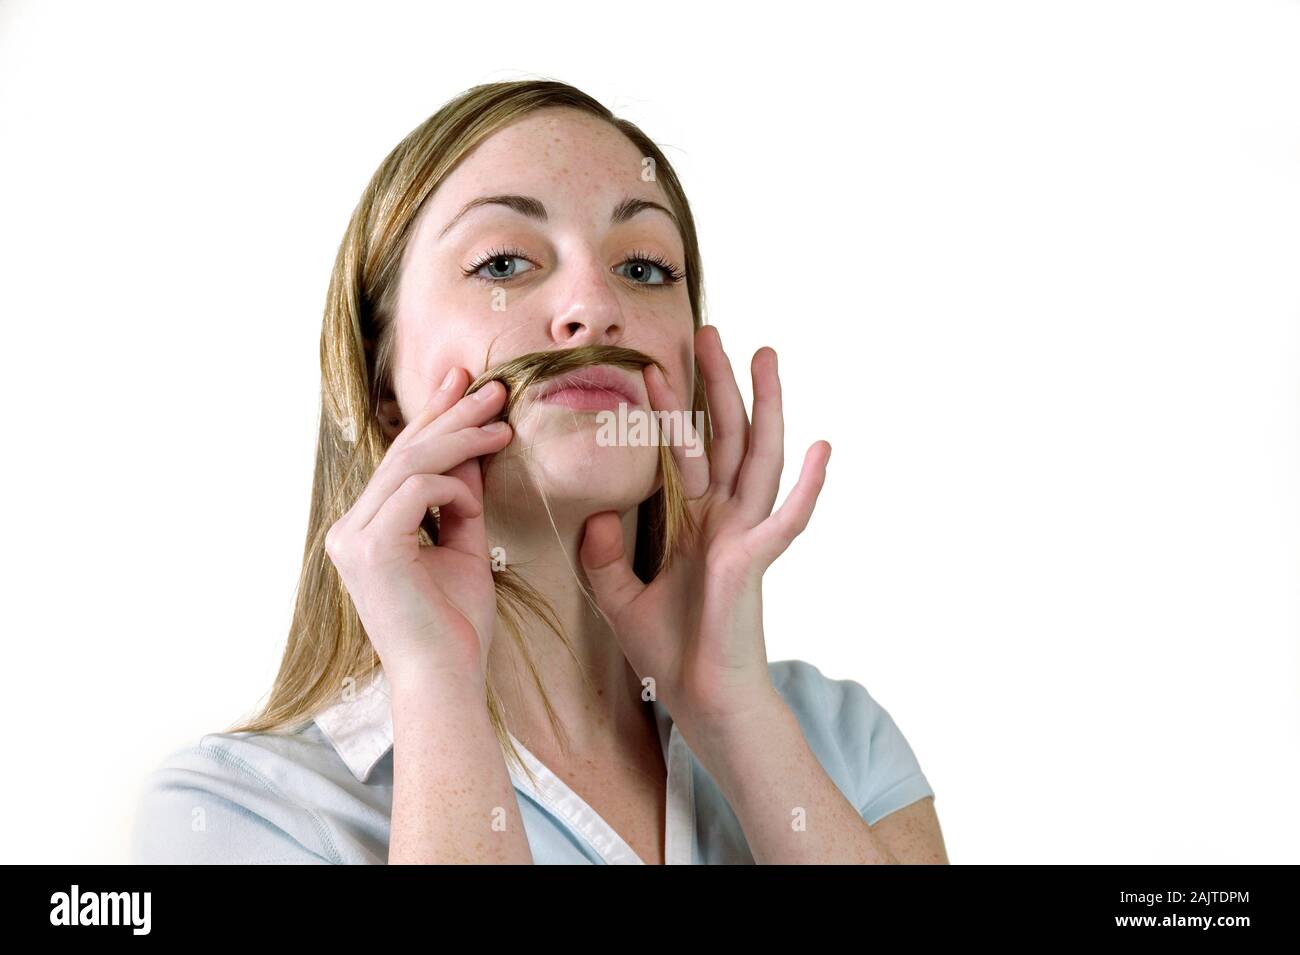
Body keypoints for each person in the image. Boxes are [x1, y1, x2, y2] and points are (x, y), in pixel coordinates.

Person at [130, 79, 948, 864]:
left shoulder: (838, 740)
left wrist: (732, 715)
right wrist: (439, 691)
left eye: (645, 267)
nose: (594, 306)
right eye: (502, 264)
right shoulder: (242, 812)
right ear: (381, 385)